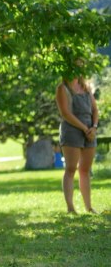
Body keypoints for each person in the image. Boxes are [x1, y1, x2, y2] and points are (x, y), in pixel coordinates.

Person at [55, 70, 99, 214]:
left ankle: (89, 207)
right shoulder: (63, 88)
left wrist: (94, 127)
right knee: (71, 168)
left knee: (85, 170)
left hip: (89, 131)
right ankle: (70, 208)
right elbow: (65, 113)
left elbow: (95, 110)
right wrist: (84, 128)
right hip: (72, 130)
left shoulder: (86, 87)